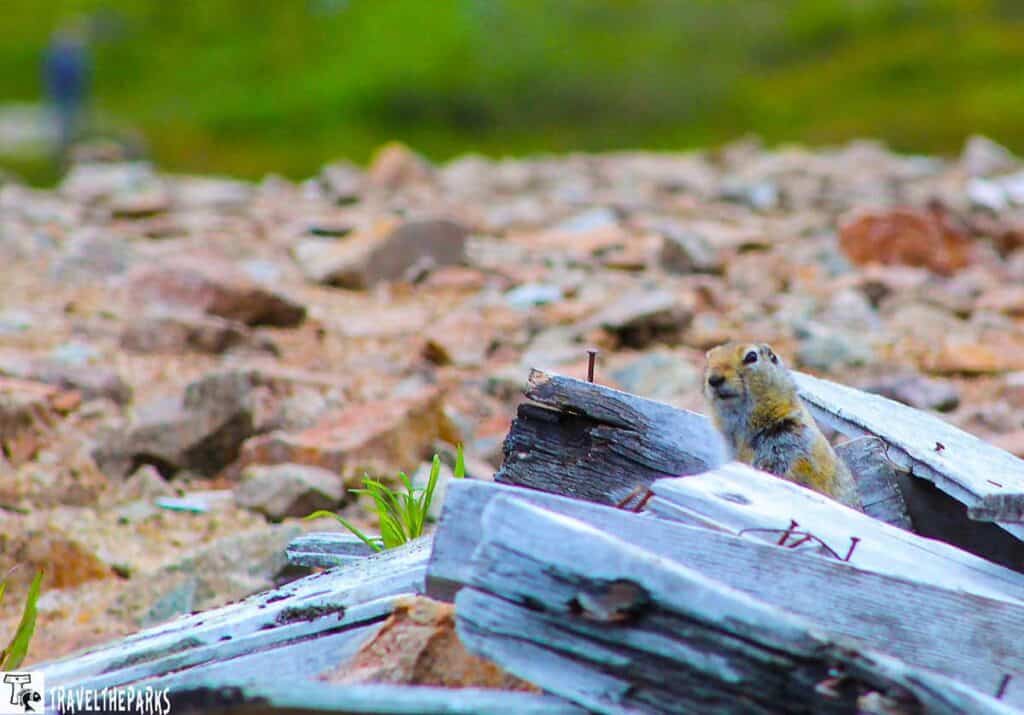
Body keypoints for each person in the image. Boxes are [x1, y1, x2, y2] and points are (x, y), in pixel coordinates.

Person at [43, 24, 91, 157]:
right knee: (64, 124)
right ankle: (63, 150)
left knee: (70, 123)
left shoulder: (75, 56)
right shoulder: (62, 57)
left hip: (70, 96)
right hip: (64, 96)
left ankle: (69, 148)